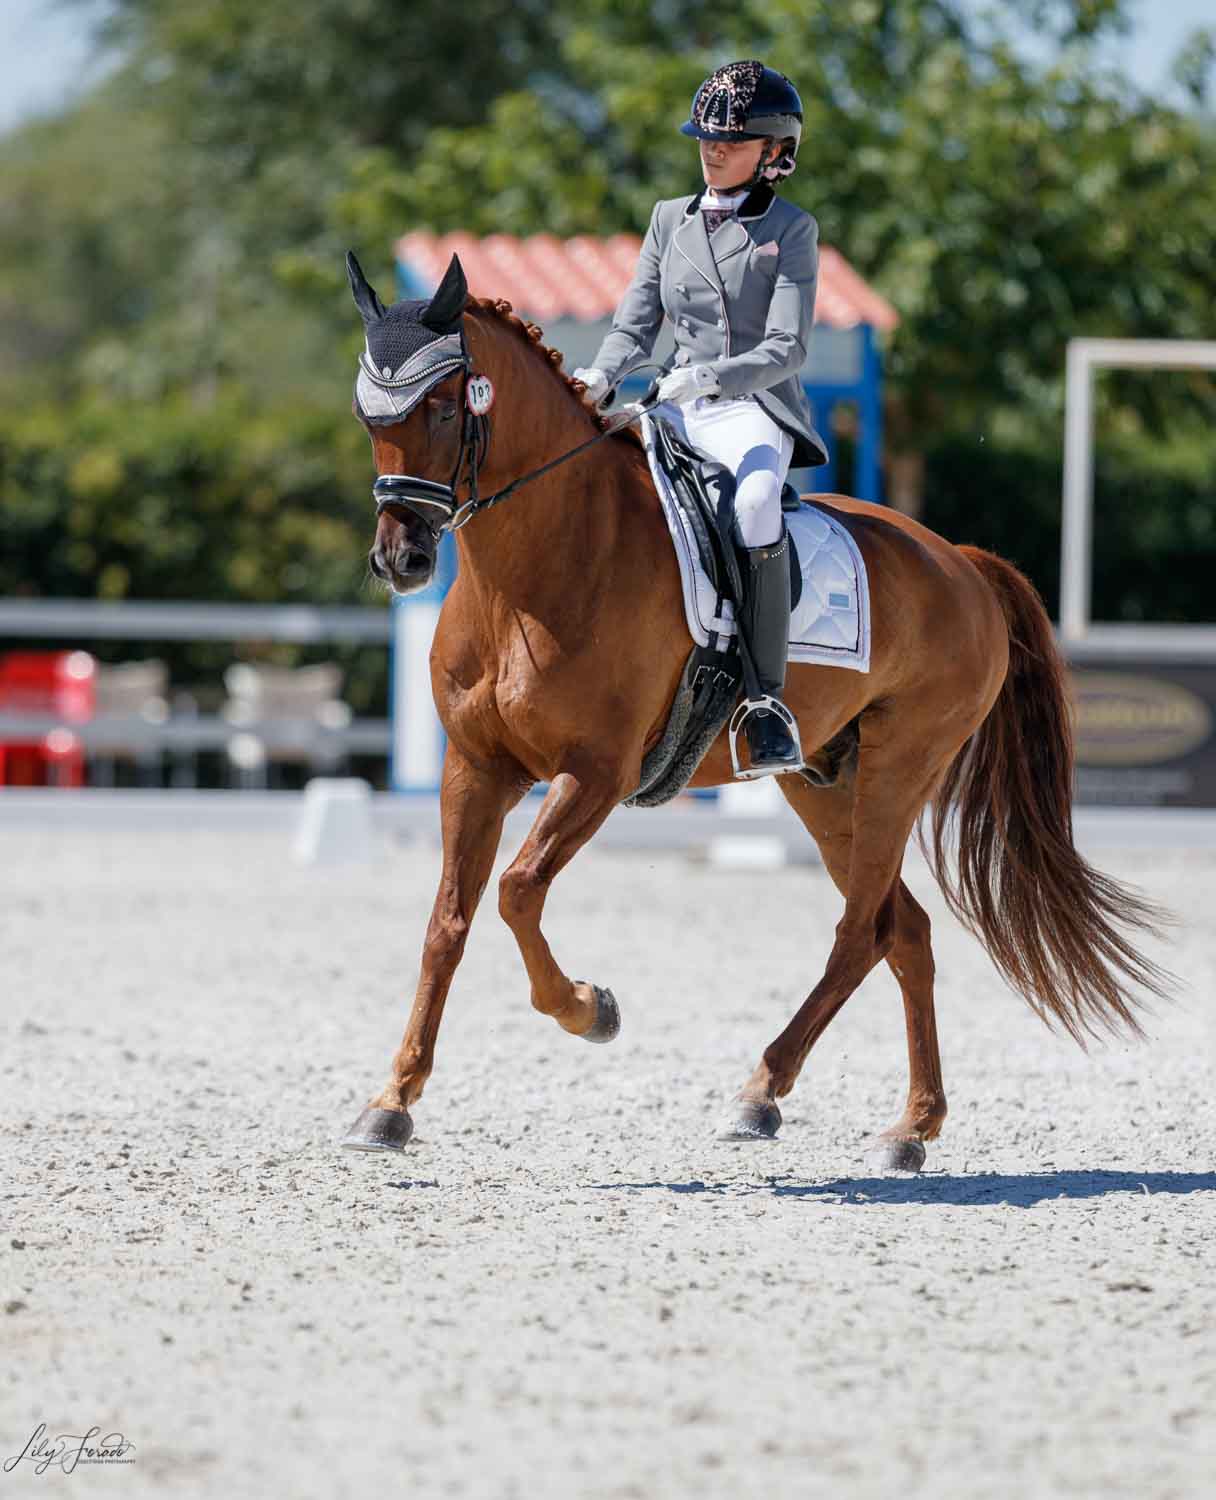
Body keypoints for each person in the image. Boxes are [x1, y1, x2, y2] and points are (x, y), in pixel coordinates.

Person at [575, 60, 828, 776]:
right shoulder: (667, 220)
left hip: (751, 408)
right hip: (672, 407)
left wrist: (705, 378)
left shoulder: (791, 230)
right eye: (707, 138)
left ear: (775, 152)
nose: (713, 149)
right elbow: (636, 324)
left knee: (752, 507)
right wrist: (602, 374)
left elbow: (786, 348)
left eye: (735, 139)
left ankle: (766, 703)